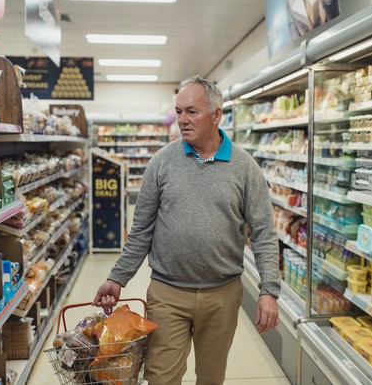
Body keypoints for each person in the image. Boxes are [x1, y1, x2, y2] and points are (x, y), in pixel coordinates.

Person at [92, 75, 281, 385]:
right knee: (160, 377)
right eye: (178, 111)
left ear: (216, 114)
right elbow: (141, 230)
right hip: (167, 291)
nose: (182, 120)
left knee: (211, 376)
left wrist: (268, 291)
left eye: (191, 111)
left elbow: (263, 232)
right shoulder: (161, 163)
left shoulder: (245, 168)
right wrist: (118, 277)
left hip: (223, 292)